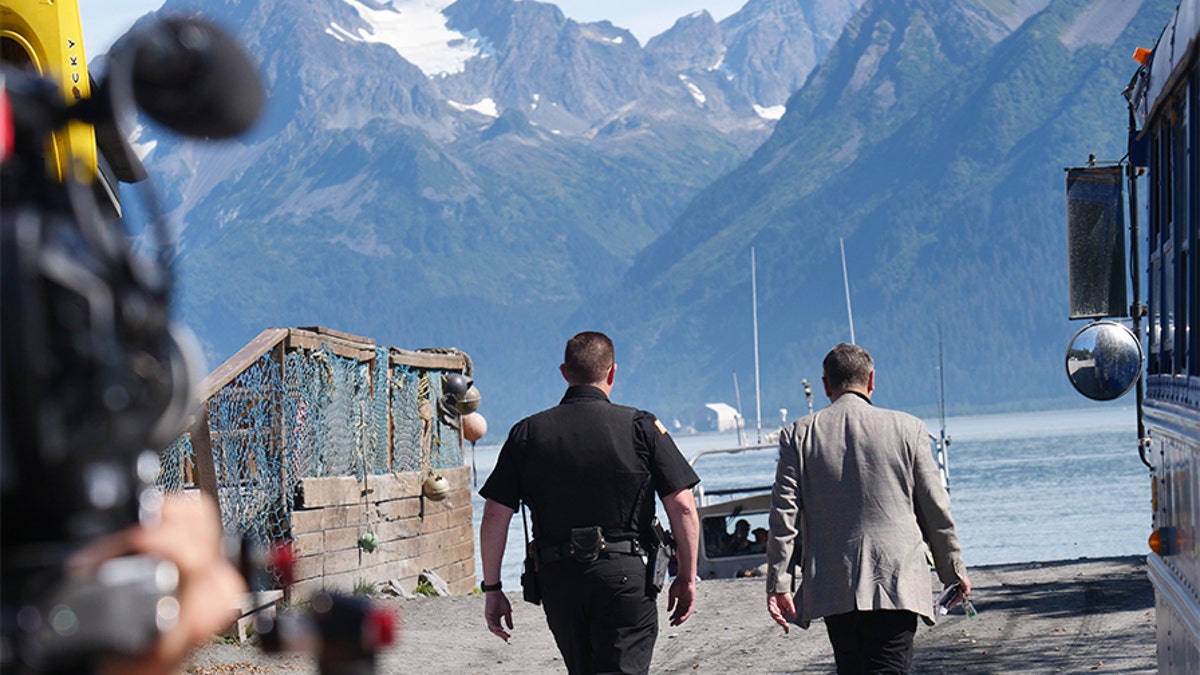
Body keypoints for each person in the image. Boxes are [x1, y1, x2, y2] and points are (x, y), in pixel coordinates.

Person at [478, 331, 700, 674]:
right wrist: (686, 576)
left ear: (564, 373)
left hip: (558, 579)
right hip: (626, 577)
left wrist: (493, 588)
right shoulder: (640, 427)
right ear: (612, 373)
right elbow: (683, 505)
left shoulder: (527, 433)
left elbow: (495, 514)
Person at [765, 343, 970, 674]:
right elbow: (935, 508)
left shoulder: (798, 435)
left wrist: (779, 582)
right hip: (897, 578)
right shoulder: (909, 428)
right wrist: (953, 571)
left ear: (825, 385)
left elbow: (783, 516)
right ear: (871, 380)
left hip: (834, 580)